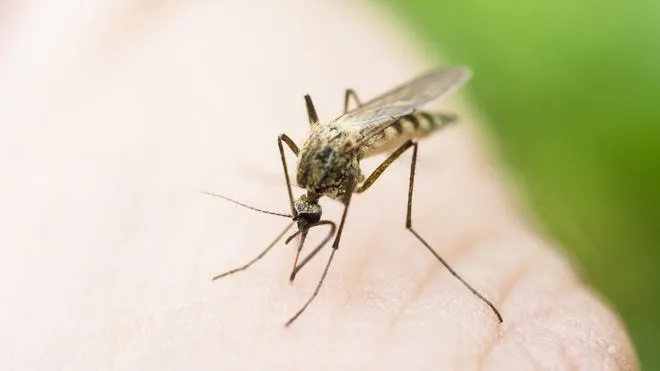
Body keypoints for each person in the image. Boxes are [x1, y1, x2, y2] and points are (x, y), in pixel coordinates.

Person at [0, 1, 638, 370]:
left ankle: (411, 228)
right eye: (304, 208)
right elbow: (300, 163)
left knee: (399, 151)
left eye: (303, 210)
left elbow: (343, 171)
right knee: (304, 137)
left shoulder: (331, 176)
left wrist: (336, 210)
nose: (305, 209)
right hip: (348, 135)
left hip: (389, 126)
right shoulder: (305, 175)